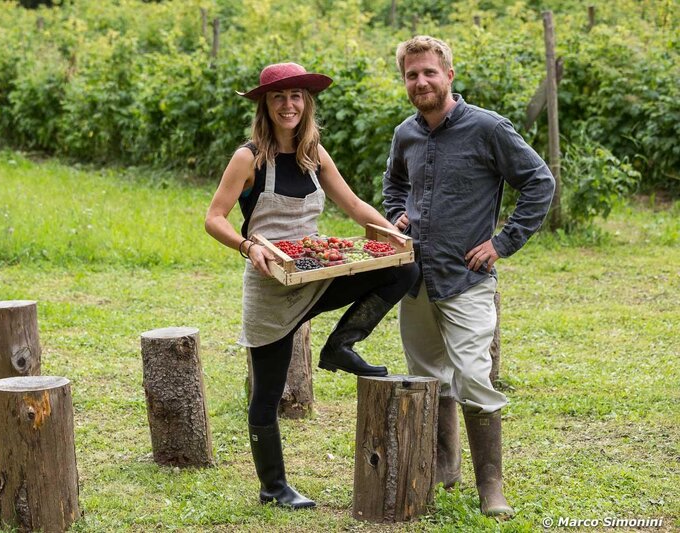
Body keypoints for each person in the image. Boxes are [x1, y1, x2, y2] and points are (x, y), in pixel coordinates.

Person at [205, 62, 414, 509]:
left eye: (297, 96)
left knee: (404, 269)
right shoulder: (249, 157)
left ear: (307, 103)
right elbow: (214, 218)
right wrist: (247, 247)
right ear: (265, 104)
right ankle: (273, 488)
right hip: (271, 283)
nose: (289, 105)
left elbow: (355, 205)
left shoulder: (314, 153)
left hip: (317, 273)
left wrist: (394, 236)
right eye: (279, 97)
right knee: (267, 393)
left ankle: (340, 345)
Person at [382, 36, 555, 517]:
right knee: (426, 377)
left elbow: (540, 181)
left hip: (466, 280)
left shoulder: (487, 129)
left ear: (449, 75)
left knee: (475, 378)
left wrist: (501, 243)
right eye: (412, 75)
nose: (420, 82)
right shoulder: (406, 134)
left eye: (429, 73)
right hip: (415, 277)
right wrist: (396, 213)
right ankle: (444, 468)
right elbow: (394, 183)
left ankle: (492, 487)